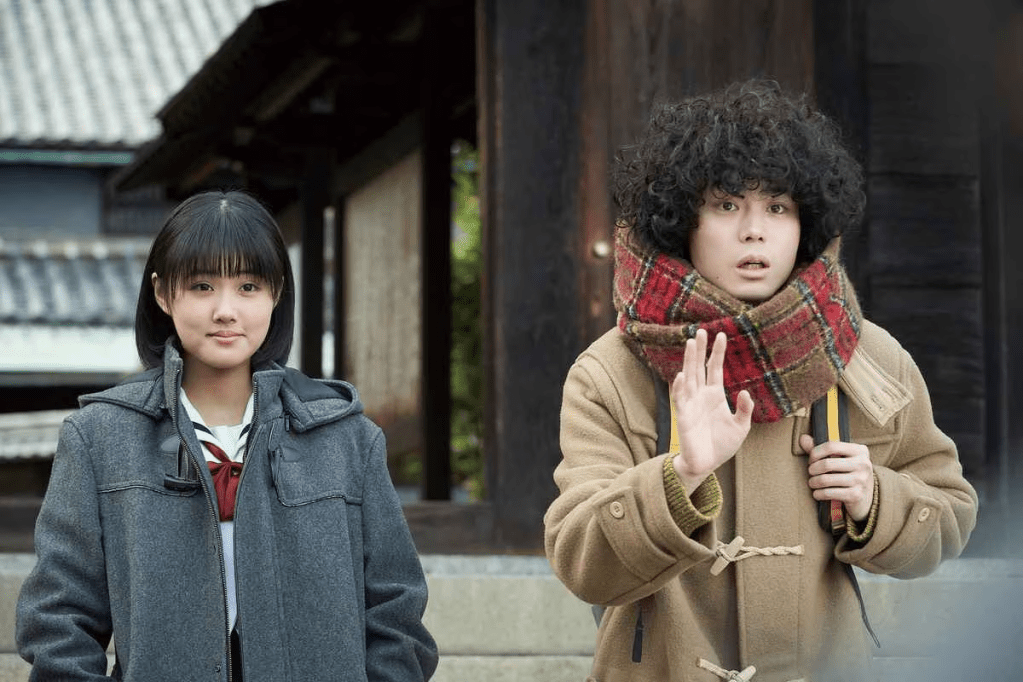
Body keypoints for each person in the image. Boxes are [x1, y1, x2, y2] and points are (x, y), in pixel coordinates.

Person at [544, 80, 978, 681]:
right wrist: (678, 477)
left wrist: (875, 498)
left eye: (777, 207)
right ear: (682, 221)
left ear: (806, 222)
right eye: (726, 206)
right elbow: (579, 562)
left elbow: (951, 515)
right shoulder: (611, 371)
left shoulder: (868, 355)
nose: (755, 231)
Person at [16, 190, 438, 681]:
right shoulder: (100, 437)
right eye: (201, 286)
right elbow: (58, 620)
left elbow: (396, 612)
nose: (225, 310)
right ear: (162, 293)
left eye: (248, 286)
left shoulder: (346, 438)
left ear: (276, 292)